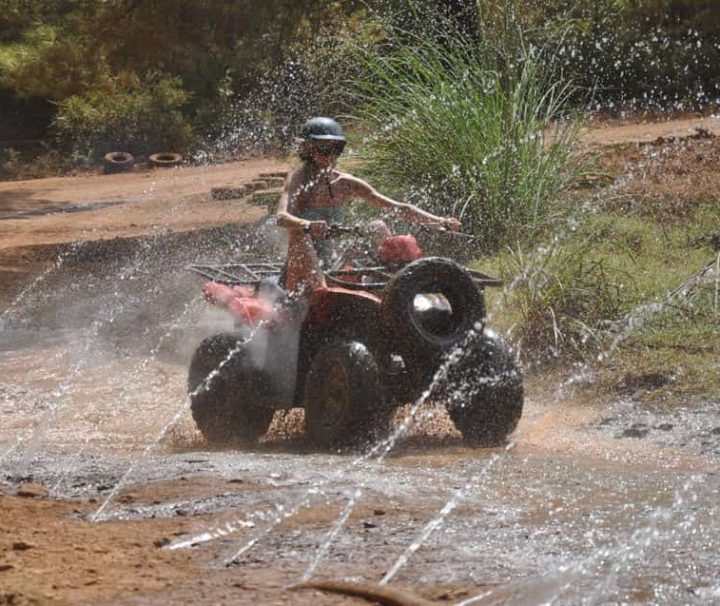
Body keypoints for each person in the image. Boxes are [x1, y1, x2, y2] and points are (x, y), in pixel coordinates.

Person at [276, 117, 461, 293]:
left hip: (332, 264)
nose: (331, 155)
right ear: (308, 149)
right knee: (298, 234)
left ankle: (400, 289)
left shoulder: (345, 183)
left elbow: (399, 207)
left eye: (336, 149)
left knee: (377, 227)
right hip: (299, 271)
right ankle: (322, 295)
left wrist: (441, 221)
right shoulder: (297, 179)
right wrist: (307, 225)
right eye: (324, 149)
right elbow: (281, 217)